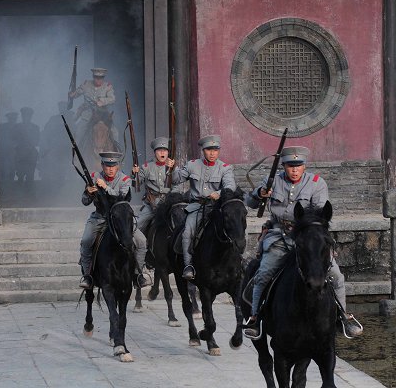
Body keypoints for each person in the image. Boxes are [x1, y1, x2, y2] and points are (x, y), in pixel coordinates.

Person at [243, 146, 363, 339]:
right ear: (284, 166)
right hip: (278, 235)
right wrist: (260, 193)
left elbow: (321, 214)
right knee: (264, 273)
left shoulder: (316, 184)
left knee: (335, 275)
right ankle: (255, 318)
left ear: (304, 166)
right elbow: (250, 202)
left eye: (298, 166)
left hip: (308, 239)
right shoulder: (272, 181)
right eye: (291, 166)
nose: (295, 170)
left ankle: (343, 317)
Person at [79, 151, 150, 290]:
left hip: (120, 220)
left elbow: (121, 197)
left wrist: (105, 187)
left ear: (118, 166)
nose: (110, 169)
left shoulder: (125, 180)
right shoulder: (94, 177)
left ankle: (138, 274)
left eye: (113, 165)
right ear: (102, 165)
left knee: (141, 241)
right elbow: (85, 201)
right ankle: (87, 275)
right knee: (86, 241)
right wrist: (88, 192)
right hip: (100, 217)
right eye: (107, 165)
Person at [171, 135, 237, 280]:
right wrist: (172, 169)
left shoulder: (225, 168)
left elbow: (230, 187)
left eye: (215, 150)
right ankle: (189, 265)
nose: (212, 153)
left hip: (216, 208)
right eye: (208, 150)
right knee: (187, 232)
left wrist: (219, 193)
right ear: (203, 150)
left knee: (234, 228)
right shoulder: (192, 165)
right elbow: (176, 180)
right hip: (197, 207)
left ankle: (237, 262)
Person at [131, 137, 177, 236]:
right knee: (137, 227)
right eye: (159, 150)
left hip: (169, 204)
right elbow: (136, 185)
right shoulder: (146, 167)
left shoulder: (173, 167)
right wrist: (134, 174)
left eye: (165, 150)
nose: (162, 153)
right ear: (155, 152)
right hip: (152, 204)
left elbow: (178, 185)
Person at [67, 67, 117, 142]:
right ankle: (77, 153)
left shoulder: (107, 87)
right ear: (93, 77)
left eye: (101, 78)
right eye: (96, 77)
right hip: (88, 114)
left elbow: (112, 99)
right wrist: (72, 95)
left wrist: (102, 101)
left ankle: (115, 153)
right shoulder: (86, 84)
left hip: (102, 115)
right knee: (79, 132)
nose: (98, 80)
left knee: (115, 132)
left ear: (103, 78)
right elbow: (76, 94)